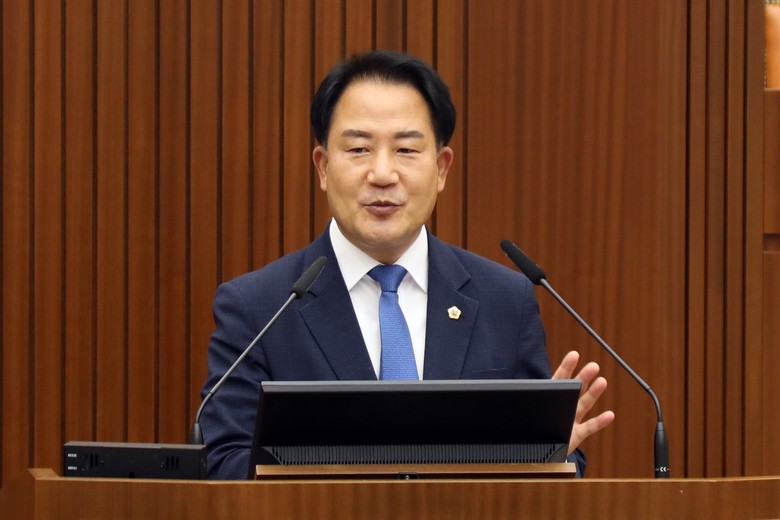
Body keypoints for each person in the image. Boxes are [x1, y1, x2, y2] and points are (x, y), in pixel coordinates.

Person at [199, 50, 614, 480]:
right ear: (322, 167)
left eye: (406, 149)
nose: (382, 173)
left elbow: (554, 468)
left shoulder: (505, 302)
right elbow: (226, 467)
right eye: (359, 148)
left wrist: (547, 455)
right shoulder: (258, 308)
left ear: (441, 168)